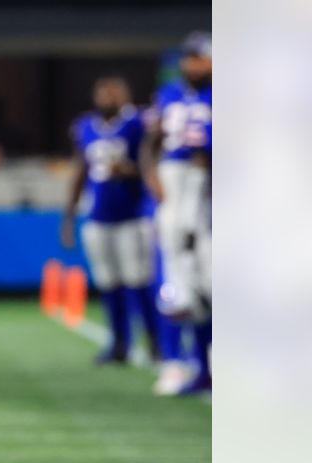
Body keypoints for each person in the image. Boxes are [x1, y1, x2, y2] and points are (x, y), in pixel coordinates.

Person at [61, 76, 159, 364]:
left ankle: (155, 342)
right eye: (103, 94)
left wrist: (130, 172)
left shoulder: (138, 123)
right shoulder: (85, 127)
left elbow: (152, 163)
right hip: (97, 216)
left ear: (125, 97)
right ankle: (119, 343)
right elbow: (80, 170)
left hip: (132, 214)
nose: (108, 100)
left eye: (114, 95)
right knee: (109, 283)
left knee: (138, 282)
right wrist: (69, 215)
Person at [142, 32, 212, 394]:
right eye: (191, 57)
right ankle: (176, 362)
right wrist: (152, 177)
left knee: (210, 286)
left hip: (208, 193)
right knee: (174, 282)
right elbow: (150, 143)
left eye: (201, 57)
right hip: (177, 190)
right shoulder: (168, 96)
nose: (194, 64)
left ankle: (209, 365)